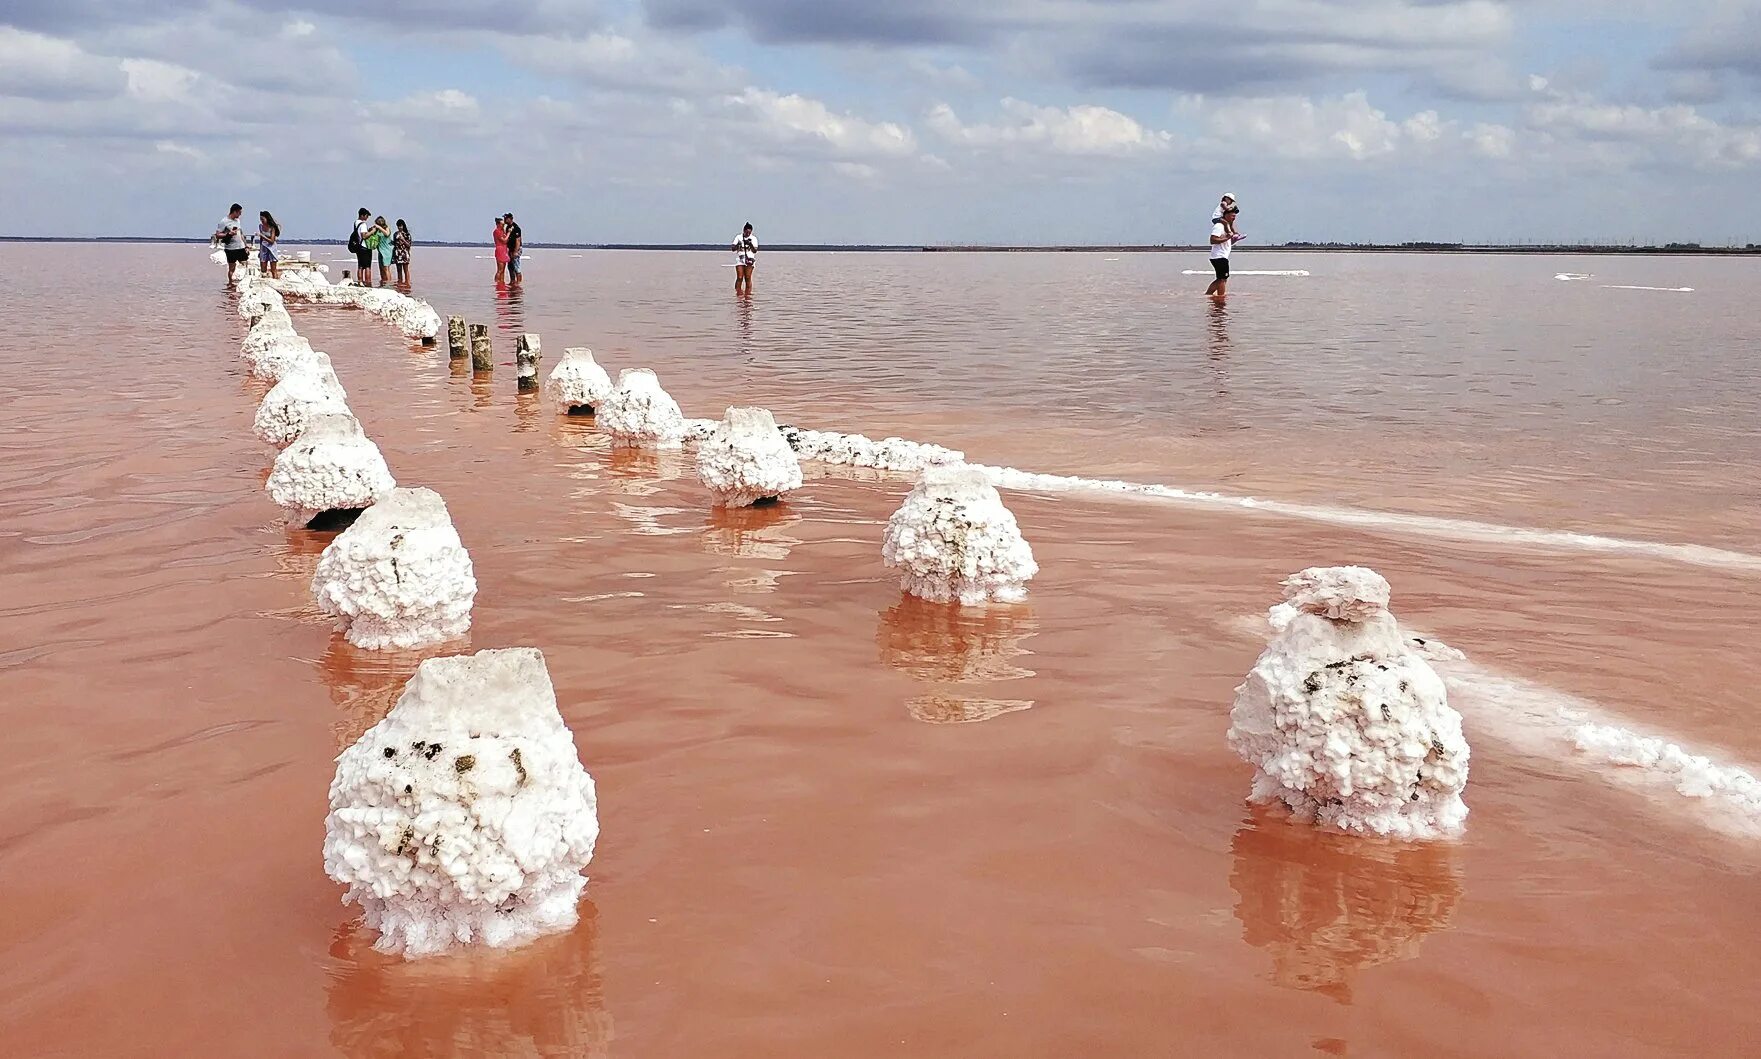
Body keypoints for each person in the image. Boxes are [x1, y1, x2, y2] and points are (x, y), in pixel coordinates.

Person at [1206, 204, 1238, 299]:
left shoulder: (1226, 227)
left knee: (1223, 279)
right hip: (1218, 257)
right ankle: (1212, 295)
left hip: (1222, 256)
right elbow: (1213, 240)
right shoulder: (1219, 226)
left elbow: (1225, 242)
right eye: (1232, 216)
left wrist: (1233, 240)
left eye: (1235, 217)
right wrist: (1228, 237)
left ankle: (1219, 296)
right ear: (1226, 215)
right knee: (1222, 279)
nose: (1234, 219)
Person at [212, 203, 247, 288]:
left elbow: (241, 233)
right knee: (232, 266)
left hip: (240, 246)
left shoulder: (237, 221)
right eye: (239, 213)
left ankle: (244, 281)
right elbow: (217, 234)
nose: (240, 215)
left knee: (245, 263)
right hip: (230, 248)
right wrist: (229, 233)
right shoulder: (224, 221)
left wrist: (246, 244)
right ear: (234, 212)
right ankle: (230, 283)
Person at [350, 207, 374, 286]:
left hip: (358, 247)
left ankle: (360, 281)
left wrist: (368, 230)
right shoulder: (363, 224)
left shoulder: (356, 223)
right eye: (367, 216)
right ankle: (368, 282)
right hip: (364, 247)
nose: (367, 218)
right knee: (367, 266)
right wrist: (372, 232)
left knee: (360, 266)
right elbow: (364, 236)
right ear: (363, 215)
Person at [732, 222, 758, 294]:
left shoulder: (753, 238)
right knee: (739, 277)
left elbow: (755, 251)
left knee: (747, 277)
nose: (748, 234)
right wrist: (738, 245)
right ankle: (738, 293)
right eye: (746, 232)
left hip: (749, 260)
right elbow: (733, 248)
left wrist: (750, 244)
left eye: (749, 233)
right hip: (740, 259)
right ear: (744, 230)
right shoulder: (738, 237)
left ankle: (748, 294)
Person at [257, 210, 281, 279]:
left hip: (271, 248)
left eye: (263, 219)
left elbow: (272, 241)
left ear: (267, 218)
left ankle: (275, 280)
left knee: (273, 269)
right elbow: (261, 240)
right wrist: (260, 250)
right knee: (263, 269)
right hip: (264, 248)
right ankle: (263, 281)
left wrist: (262, 235)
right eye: (261, 219)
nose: (262, 221)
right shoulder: (260, 226)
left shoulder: (272, 228)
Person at [371, 215, 393, 287]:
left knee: (386, 268)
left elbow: (387, 234)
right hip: (380, 251)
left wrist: (379, 227)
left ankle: (388, 284)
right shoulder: (377, 231)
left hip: (386, 251)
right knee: (381, 268)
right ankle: (383, 283)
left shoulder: (387, 228)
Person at [503, 213, 524, 285]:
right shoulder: (507, 228)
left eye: (506, 218)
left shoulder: (516, 228)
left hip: (516, 249)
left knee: (517, 267)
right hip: (510, 249)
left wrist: (515, 251)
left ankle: (518, 283)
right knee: (510, 267)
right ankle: (512, 282)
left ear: (510, 219)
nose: (504, 220)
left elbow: (518, 241)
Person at [393, 219, 412, 286]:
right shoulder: (395, 234)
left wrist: (403, 239)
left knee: (406, 269)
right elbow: (395, 244)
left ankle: (407, 283)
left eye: (401, 226)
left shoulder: (407, 234)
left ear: (403, 226)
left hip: (405, 253)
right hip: (398, 253)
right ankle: (400, 283)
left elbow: (409, 245)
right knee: (399, 270)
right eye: (398, 226)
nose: (399, 227)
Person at [493, 216, 508, 284]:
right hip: (500, 250)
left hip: (504, 250)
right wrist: (509, 233)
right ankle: (496, 282)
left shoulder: (502, 231)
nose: (503, 225)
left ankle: (501, 282)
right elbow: (504, 240)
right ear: (498, 224)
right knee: (500, 269)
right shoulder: (497, 231)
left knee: (503, 270)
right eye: (502, 224)